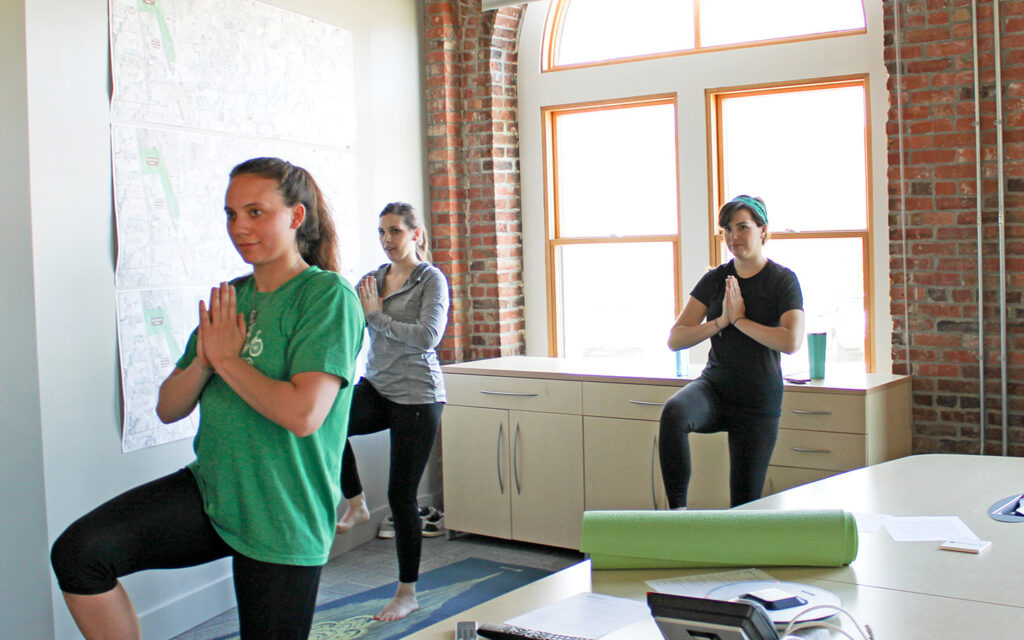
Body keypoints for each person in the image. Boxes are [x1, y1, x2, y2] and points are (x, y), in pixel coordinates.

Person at [50, 157, 364, 640]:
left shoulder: (326, 296)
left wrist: (228, 361)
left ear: (296, 216)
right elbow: (169, 406)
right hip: (214, 491)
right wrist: (204, 360)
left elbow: (303, 415)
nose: (239, 227)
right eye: (231, 214)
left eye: (256, 212)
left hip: (283, 512)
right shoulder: (230, 299)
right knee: (80, 554)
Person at [333, 201, 449, 622]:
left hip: (418, 396)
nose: (387, 240)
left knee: (402, 497)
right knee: (329, 421)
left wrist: (377, 318)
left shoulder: (430, 280)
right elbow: (353, 322)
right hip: (378, 386)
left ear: (415, 234)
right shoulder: (373, 280)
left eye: (395, 231)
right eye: (382, 232)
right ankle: (358, 501)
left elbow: (428, 337)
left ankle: (407, 592)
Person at [659, 195, 804, 509]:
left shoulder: (782, 280)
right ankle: (677, 514)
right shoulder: (715, 280)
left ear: (763, 230)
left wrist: (739, 320)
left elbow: (791, 341)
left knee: (744, 504)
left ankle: (745, 558)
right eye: (727, 229)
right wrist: (721, 321)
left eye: (742, 227)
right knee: (674, 413)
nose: (733, 237)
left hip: (758, 400)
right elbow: (676, 338)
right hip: (715, 388)